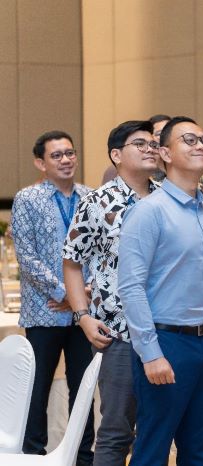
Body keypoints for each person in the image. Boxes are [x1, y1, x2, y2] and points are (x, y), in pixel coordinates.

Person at [118, 116, 203, 465]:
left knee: (200, 452)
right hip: (168, 344)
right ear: (165, 153)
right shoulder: (148, 212)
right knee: (152, 451)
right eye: (189, 140)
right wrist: (150, 353)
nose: (201, 146)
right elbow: (131, 287)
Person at [62, 120, 160, 466]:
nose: (150, 149)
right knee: (117, 431)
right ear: (116, 155)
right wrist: (83, 316)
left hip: (167, 329)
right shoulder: (97, 202)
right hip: (119, 333)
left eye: (153, 143)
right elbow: (72, 262)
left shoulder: (168, 197)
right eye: (139, 144)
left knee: (158, 431)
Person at [12, 130, 95, 465]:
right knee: (36, 390)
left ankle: (83, 456)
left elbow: (101, 252)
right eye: (56, 155)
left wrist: (82, 294)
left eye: (69, 153)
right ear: (40, 163)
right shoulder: (27, 199)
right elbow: (26, 258)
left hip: (84, 314)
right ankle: (32, 454)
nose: (65, 160)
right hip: (44, 311)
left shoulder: (91, 197)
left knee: (84, 389)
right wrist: (66, 293)